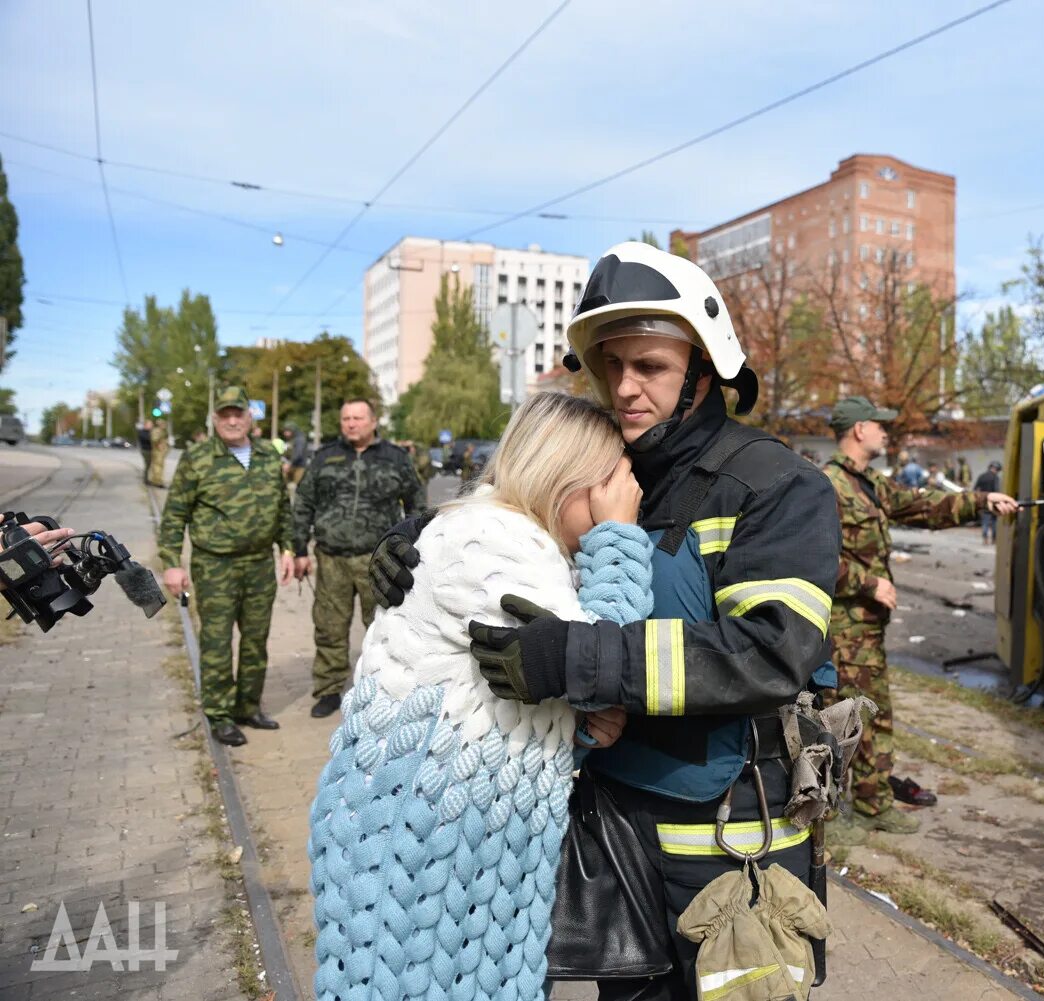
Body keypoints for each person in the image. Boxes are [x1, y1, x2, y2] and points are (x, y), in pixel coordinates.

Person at [372, 241, 841, 1000]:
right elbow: (512, 514)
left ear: (703, 365)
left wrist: (579, 659)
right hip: (607, 825)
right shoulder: (606, 467)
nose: (624, 387)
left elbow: (770, 653)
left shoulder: (778, 487)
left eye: (649, 365)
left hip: (728, 847)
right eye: (610, 365)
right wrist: (421, 542)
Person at [309, 392, 651, 1001]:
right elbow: (606, 659)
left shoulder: (527, 544)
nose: (628, 500)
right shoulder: (493, 543)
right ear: (572, 478)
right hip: (422, 849)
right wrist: (620, 536)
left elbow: (549, 699)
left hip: (465, 849)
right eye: (617, 485)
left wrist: (580, 729)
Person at [822, 399, 1018, 840]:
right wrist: (865, 583)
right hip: (842, 629)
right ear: (858, 430)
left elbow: (923, 506)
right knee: (839, 720)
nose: (887, 433)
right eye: (881, 426)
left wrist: (983, 500)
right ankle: (825, 817)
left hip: (866, 630)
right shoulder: (827, 485)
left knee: (873, 716)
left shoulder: (869, 483)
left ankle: (873, 804)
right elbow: (807, 554)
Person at [157, 387, 295, 746]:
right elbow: (174, 515)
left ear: (250, 417)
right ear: (215, 419)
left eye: (239, 414)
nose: (232, 421)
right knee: (217, 641)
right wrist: (172, 564)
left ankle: (248, 707)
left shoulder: (267, 455)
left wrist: (289, 549)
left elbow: (282, 508)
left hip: (259, 565)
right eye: (225, 415)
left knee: (255, 640)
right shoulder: (198, 458)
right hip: (214, 565)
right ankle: (218, 714)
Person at [293, 399, 426, 719]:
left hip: (378, 559)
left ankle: (384, 689)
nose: (351, 424)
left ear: (373, 421)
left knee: (384, 628)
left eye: (358, 418)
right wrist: (298, 550)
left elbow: (417, 505)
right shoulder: (325, 457)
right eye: (346, 418)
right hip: (331, 558)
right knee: (329, 627)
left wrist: (412, 548)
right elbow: (303, 503)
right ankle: (328, 689)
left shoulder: (396, 459)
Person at [974, 461, 1002, 545]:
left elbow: (975, 489)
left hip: (983, 502)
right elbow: (996, 490)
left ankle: (985, 539)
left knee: (985, 522)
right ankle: (994, 539)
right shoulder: (995, 478)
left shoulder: (981, 476)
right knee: (994, 522)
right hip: (992, 502)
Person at [280, 422, 309, 488]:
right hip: (291, 466)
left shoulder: (300, 439)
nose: (285, 433)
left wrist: (289, 464)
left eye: (287, 431)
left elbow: (298, 453)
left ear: (293, 430)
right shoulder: (291, 439)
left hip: (298, 467)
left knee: (293, 487)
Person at [146, 419, 168, 487]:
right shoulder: (157, 431)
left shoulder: (161, 431)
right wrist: (159, 443)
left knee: (160, 466)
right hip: (157, 451)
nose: (165, 426)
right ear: (161, 424)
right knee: (157, 466)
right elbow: (154, 439)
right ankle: (157, 482)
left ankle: (157, 480)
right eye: (164, 424)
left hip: (160, 451)